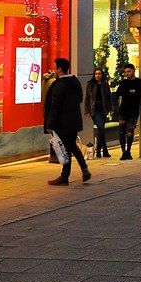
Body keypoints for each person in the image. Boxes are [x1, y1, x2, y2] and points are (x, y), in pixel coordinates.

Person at [45, 58, 91, 186]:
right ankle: (84, 169)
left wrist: (50, 124)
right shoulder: (75, 81)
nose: (54, 70)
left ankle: (64, 176)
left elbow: (55, 106)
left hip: (63, 122)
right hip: (74, 120)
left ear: (60, 69)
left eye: (55, 68)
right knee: (72, 146)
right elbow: (80, 99)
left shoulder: (59, 85)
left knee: (65, 149)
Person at [115, 63, 141, 160]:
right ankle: (123, 151)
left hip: (133, 110)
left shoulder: (139, 82)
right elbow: (118, 92)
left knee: (130, 132)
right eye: (125, 72)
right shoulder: (124, 83)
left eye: (129, 71)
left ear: (133, 71)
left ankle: (128, 151)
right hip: (123, 110)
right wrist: (130, 91)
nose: (127, 73)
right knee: (121, 131)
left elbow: (138, 94)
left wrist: (129, 92)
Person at [84, 67, 114, 158]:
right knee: (101, 128)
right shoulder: (90, 84)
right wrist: (87, 111)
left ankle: (101, 151)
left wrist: (110, 109)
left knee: (101, 129)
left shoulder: (105, 85)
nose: (97, 75)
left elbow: (108, 98)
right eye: (96, 74)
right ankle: (103, 150)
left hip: (103, 109)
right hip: (94, 108)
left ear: (102, 75)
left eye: (99, 74)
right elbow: (87, 98)